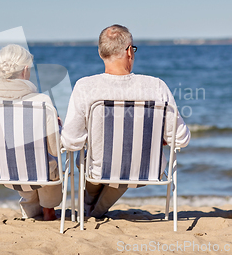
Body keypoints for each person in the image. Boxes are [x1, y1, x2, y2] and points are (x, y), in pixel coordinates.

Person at [61, 24, 191, 218]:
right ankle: (93, 211)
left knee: (95, 158)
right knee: (129, 155)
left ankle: (89, 211)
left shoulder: (85, 87)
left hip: (99, 169)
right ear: (129, 51)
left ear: (100, 53)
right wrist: (155, 137)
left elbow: (71, 141)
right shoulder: (156, 86)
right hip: (146, 169)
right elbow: (181, 139)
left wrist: (95, 139)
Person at [0, 44, 62, 221]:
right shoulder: (42, 102)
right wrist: (57, 127)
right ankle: (48, 209)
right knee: (47, 160)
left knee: (20, 159)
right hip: (41, 173)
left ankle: (31, 208)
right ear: (25, 70)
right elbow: (55, 150)